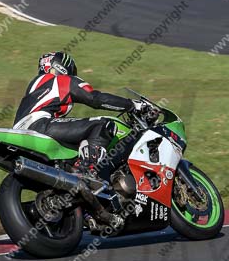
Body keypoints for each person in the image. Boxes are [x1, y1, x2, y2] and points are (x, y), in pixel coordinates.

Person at [13, 51, 154, 179]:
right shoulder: (62, 80)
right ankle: (89, 171)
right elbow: (95, 99)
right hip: (40, 125)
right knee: (103, 125)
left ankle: (71, 175)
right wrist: (132, 105)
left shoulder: (35, 86)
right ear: (63, 67)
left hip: (22, 131)